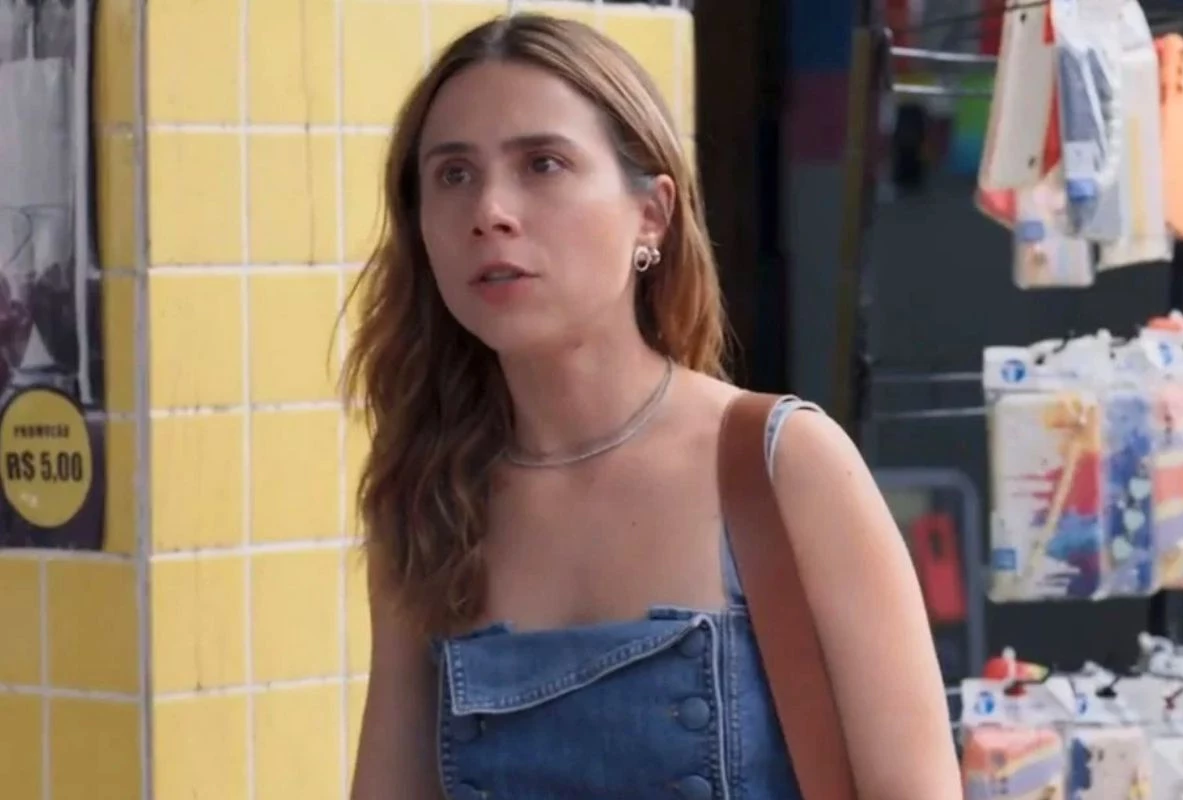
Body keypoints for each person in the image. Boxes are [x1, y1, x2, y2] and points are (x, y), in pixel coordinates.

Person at [342, 13, 960, 800]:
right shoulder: (429, 495)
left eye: (542, 164)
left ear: (652, 214)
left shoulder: (780, 464)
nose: (489, 210)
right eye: (454, 174)